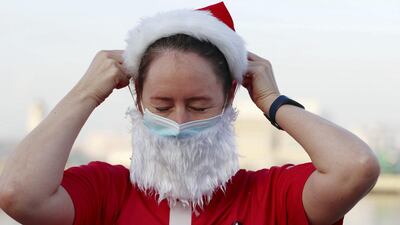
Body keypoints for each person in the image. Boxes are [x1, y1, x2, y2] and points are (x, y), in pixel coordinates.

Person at [0, 2, 380, 225]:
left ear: (230, 99)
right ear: (138, 102)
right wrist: (86, 92)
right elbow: (17, 193)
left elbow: (356, 167)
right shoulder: (106, 192)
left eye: (199, 106)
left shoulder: (271, 196)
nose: (179, 124)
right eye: (162, 106)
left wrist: (271, 100)